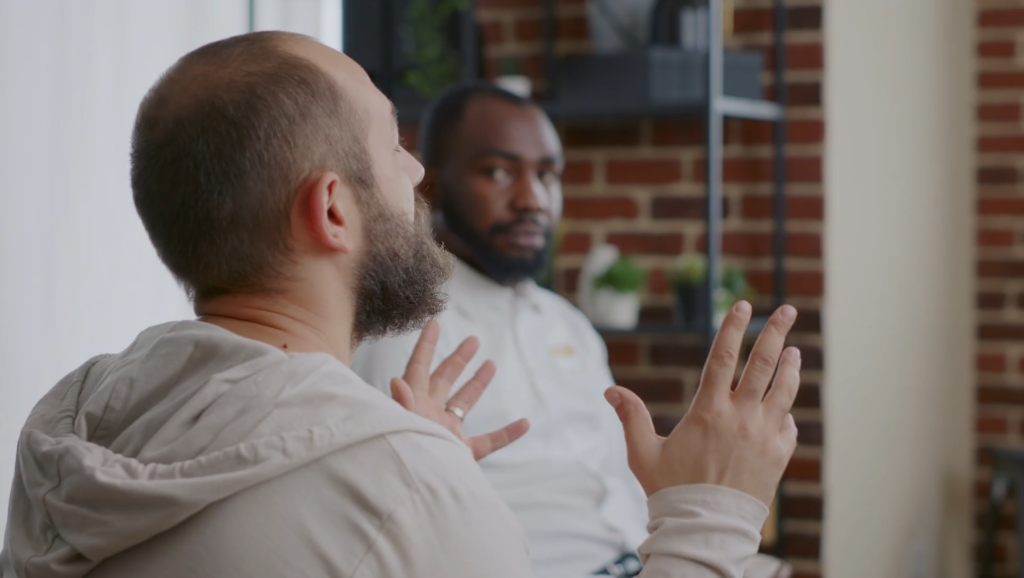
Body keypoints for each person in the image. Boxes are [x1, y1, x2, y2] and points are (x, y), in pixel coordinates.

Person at [1, 32, 801, 578]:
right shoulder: (407, 491)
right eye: (393, 147)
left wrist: (407, 464)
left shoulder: (69, 429)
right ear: (333, 211)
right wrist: (708, 518)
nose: (415, 175)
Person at [352, 84, 792, 578]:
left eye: (547, 175)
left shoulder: (567, 322)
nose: (532, 200)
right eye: (497, 171)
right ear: (431, 185)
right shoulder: (403, 328)